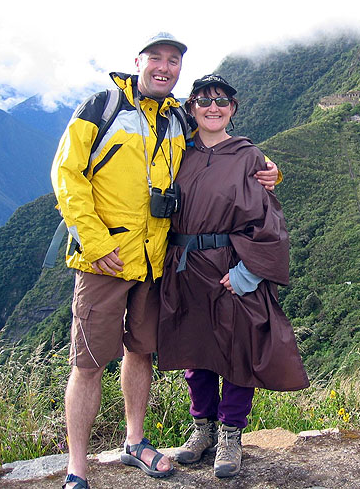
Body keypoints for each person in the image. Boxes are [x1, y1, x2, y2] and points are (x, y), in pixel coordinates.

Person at [51, 34, 279, 489]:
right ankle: (77, 468)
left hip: (156, 263)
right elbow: (66, 174)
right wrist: (95, 244)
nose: (163, 66)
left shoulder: (176, 118)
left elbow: (228, 153)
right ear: (139, 61)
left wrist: (270, 168)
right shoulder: (102, 107)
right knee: (89, 361)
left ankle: (135, 442)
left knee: (140, 353)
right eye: (155, 57)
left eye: (172, 60)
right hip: (106, 261)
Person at [157, 74, 309, 478]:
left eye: (222, 100)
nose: (213, 107)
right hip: (185, 267)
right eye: (204, 100)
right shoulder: (175, 154)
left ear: (233, 110)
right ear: (191, 108)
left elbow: (269, 220)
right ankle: (201, 430)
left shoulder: (250, 158)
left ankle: (230, 435)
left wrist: (248, 273)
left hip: (230, 268)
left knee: (237, 352)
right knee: (197, 352)